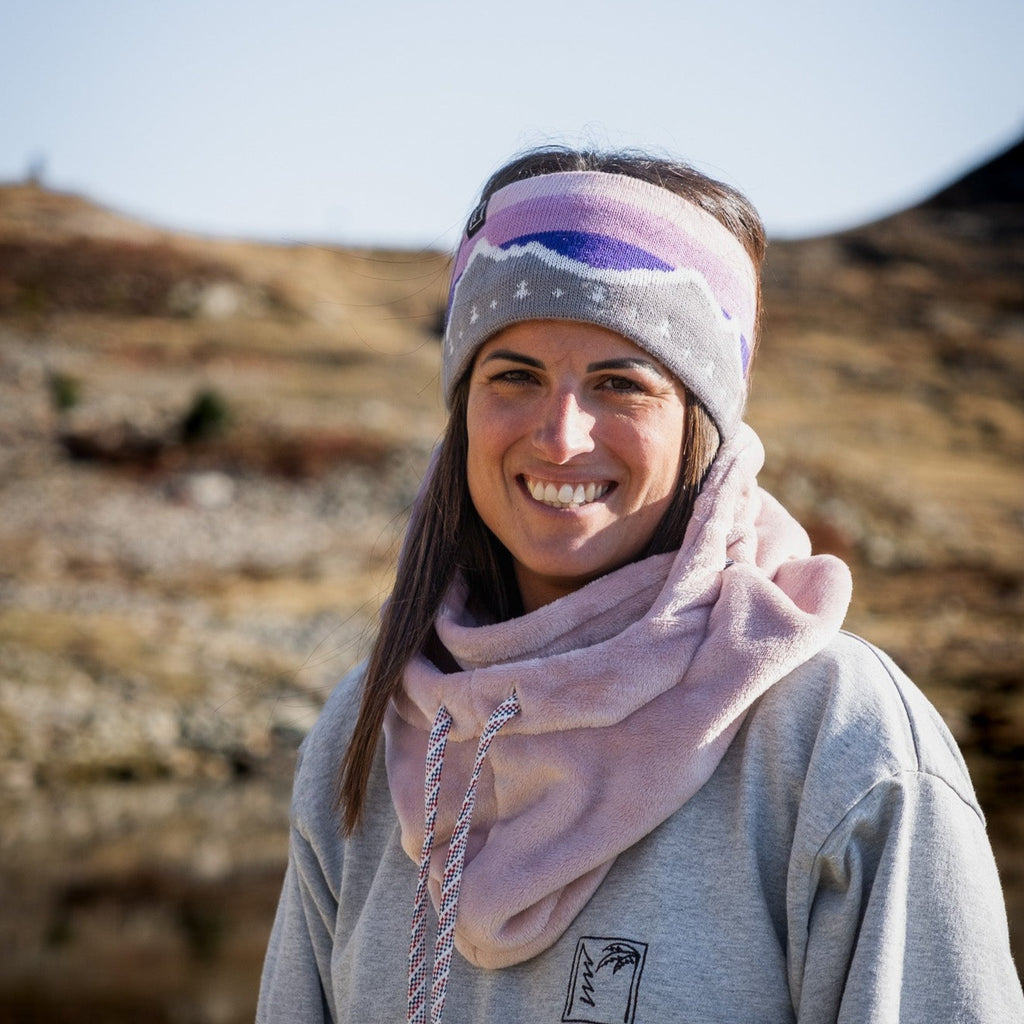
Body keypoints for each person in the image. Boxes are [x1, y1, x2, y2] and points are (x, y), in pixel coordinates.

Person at [257, 147, 1023, 1023]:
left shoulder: (837, 741)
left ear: (702, 425)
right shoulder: (366, 732)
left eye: (621, 383)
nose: (560, 436)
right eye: (514, 376)